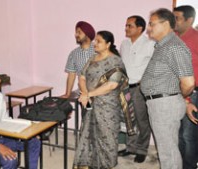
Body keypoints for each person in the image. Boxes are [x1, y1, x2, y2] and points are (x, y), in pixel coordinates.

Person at [141, 8, 195, 169]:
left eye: (151, 24)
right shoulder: (164, 45)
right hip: (160, 103)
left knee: (168, 151)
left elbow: (189, 83)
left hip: (165, 105)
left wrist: (179, 97)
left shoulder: (174, 47)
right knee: (166, 149)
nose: (148, 28)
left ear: (165, 24)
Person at [73, 31, 125, 169]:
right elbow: (82, 76)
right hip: (89, 102)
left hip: (107, 105)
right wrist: (85, 94)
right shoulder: (92, 58)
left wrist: (88, 94)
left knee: (106, 136)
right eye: (95, 40)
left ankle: (106, 165)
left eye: (99, 41)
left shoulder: (115, 61)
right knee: (87, 134)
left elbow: (112, 85)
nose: (95, 43)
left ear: (108, 44)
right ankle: (87, 164)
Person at [118, 15, 154, 163]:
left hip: (139, 89)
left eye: (129, 26)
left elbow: (154, 65)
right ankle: (130, 147)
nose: (126, 28)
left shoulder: (149, 44)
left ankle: (142, 149)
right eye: (126, 25)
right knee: (128, 119)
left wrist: (144, 80)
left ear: (140, 28)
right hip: (124, 88)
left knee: (141, 120)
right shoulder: (124, 43)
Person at [173, 5, 198, 169]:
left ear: (189, 20)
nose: (173, 21)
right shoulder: (173, 37)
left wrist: (188, 96)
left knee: (189, 136)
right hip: (176, 91)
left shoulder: (196, 39)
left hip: (192, 92)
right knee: (179, 134)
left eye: (177, 18)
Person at [61, 21, 96, 98]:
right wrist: (67, 94)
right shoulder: (73, 54)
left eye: (79, 32)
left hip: (101, 93)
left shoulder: (99, 50)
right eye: (76, 32)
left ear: (87, 34)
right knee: (86, 109)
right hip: (83, 93)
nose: (76, 35)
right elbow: (71, 75)